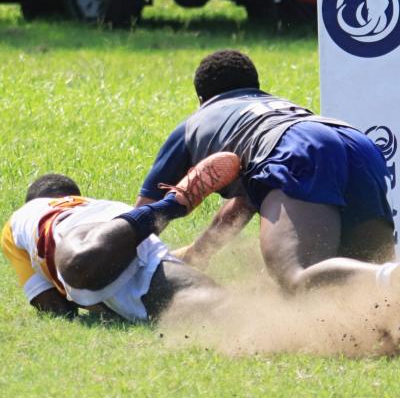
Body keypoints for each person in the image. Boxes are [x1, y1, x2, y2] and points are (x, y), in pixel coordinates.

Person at [136, 49, 396, 293]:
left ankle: (393, 277)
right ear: (256, 87)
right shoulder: (276, 106)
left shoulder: (193, 124)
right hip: (354, 142)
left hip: (296, 146)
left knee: (296, 277)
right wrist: (199, 253)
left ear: (201, 100)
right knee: (368, 282)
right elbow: (243, 204)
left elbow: (140, 218)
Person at [1, 152, 240, 320]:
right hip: (128, 231)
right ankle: (246, 197)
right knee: (209, 306)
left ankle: (172, 205)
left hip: (86, 236)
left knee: (78, 267)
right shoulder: (93, 202)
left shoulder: (21, 218)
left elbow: (56, 308)